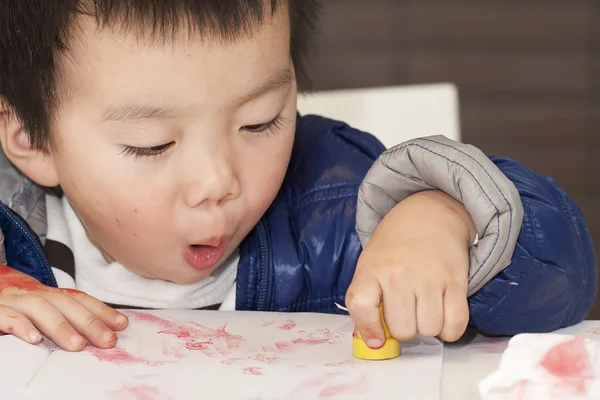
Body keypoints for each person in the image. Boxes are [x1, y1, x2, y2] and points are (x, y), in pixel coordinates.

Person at [0, 1, 595, 353]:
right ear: (32, 136)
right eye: (151, 144)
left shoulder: (332, 207)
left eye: (260, 123)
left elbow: (562, 284)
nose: (218, 181)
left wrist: (443, 218)